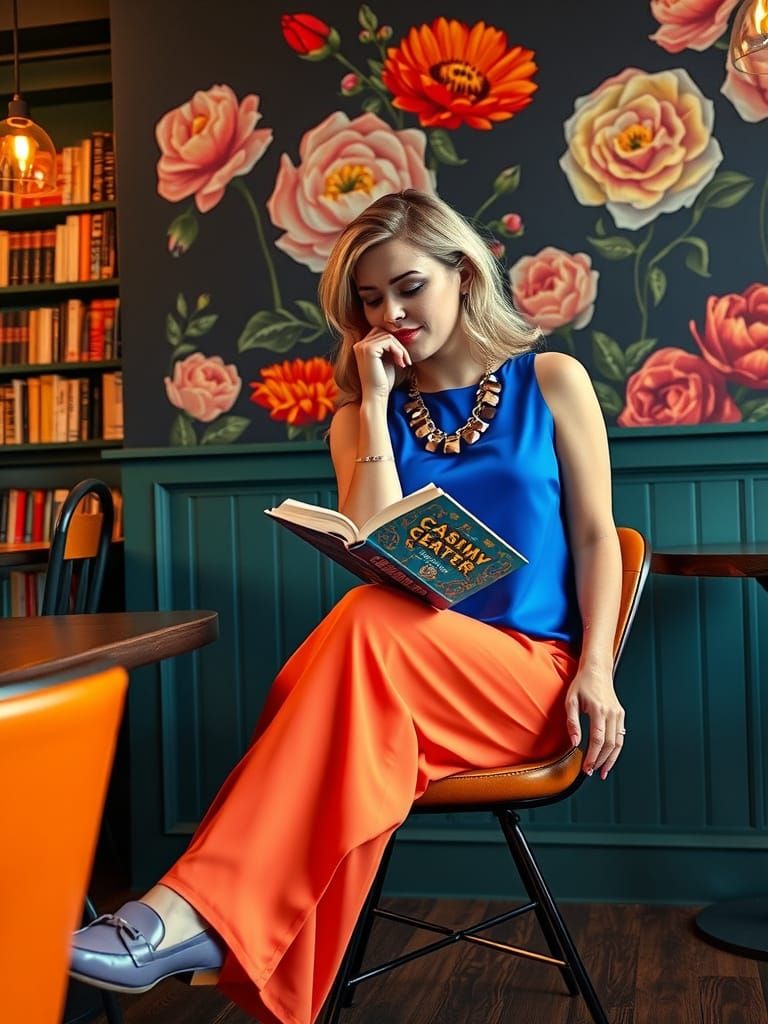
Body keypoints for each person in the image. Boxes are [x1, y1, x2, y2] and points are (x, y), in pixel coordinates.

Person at [69, 190, 625, 1024]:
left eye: (409, 288)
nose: (391, 314)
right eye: (370, 300)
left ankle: (187, 914)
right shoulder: (360, 417)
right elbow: (374, 542)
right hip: (403, 684)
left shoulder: (551, 380)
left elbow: (595, 537)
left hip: (532, 681)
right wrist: (371, 403)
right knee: (360, 680)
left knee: (354, 642)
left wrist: (599, 672)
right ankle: (217, 937)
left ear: (463, 273)